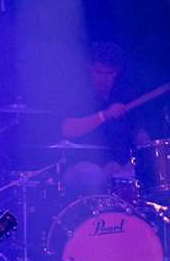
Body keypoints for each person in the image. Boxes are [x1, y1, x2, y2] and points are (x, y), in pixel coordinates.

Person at [60, 41, 154, 199]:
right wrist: (105, 115)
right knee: (94, 178)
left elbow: (138, 132)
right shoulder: (78, 94)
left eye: (109, 73)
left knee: (147, 175)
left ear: (116, 72)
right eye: (98, 72)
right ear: (89, 69)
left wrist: (142, 147)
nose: (103, 79)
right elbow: (67, 129)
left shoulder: (125, 93)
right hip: (84, 164)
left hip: (121, 165)